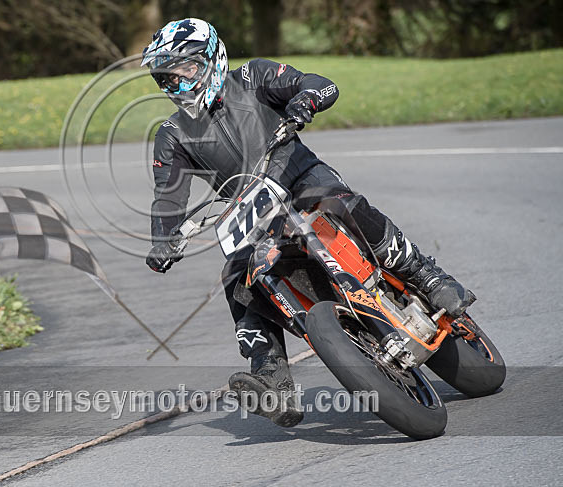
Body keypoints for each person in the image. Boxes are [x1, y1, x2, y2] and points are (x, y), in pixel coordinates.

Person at [141, 18, 475, 427]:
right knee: (237, 275)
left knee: (340, 205)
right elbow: (168, 196)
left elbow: (320, 83)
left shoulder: (254, 76)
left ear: (211, 59)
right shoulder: (172, 134)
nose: (177, 85)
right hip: (254, 211)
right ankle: (272, 378)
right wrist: (163, 240)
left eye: (184, 71)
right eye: (166, 79)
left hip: (301, 177)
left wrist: (306, 100)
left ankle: (427, 276)